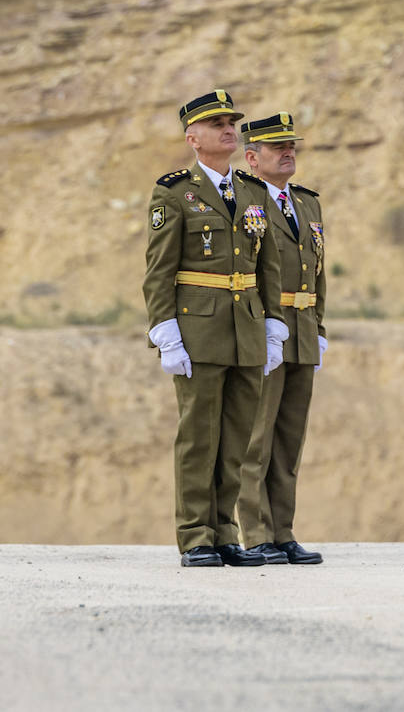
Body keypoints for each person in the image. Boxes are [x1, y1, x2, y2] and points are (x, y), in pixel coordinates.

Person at [142, 90, 289, 566]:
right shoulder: (174, 191)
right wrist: (165, 332)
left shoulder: (251, 191)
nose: (229, 129)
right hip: (198, 332)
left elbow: (268, 265)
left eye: (232, 122)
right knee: (199, 438)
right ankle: (195, 537)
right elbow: (159, 270)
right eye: (216, 123)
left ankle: (226, 534)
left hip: (245, 328)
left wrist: (272, 326)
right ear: (193, 137)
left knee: (237, 439)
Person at [236, 112, 328, 565]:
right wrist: (258, 328)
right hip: (264, 332)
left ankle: (283, 531)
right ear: (252, 158)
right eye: (277, 148)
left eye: (291, 145)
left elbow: (319, 271)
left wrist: (321, 328)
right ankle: (255, 534)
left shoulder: (307, 203)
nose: (288, 152)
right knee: (257, 437)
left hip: (303, 330)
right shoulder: (244, 199)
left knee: (290, 439)